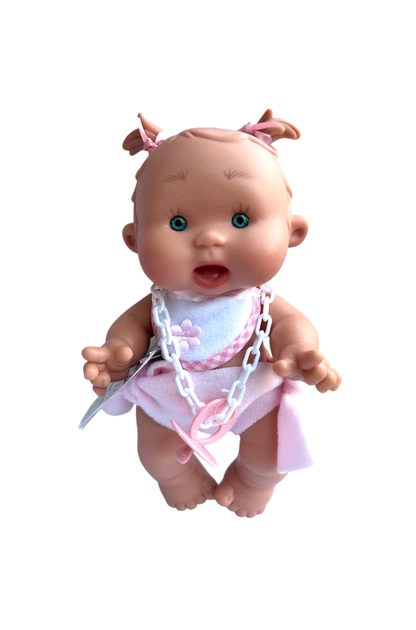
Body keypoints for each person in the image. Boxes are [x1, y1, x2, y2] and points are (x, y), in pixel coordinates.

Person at [82, 109, 341, 517]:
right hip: (171, 389)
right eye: (178, 222)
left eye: (241, 219)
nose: (210, 238)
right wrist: (119, 351)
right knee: (157, 456)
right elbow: (131, 326)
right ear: (134, 240)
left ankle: (252, 481)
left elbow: (291, 323)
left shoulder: (260, 300)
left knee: (269, 455)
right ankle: (179, 479)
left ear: (293, 232)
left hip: (250, 387)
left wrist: (298, 349)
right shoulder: (158, 303)